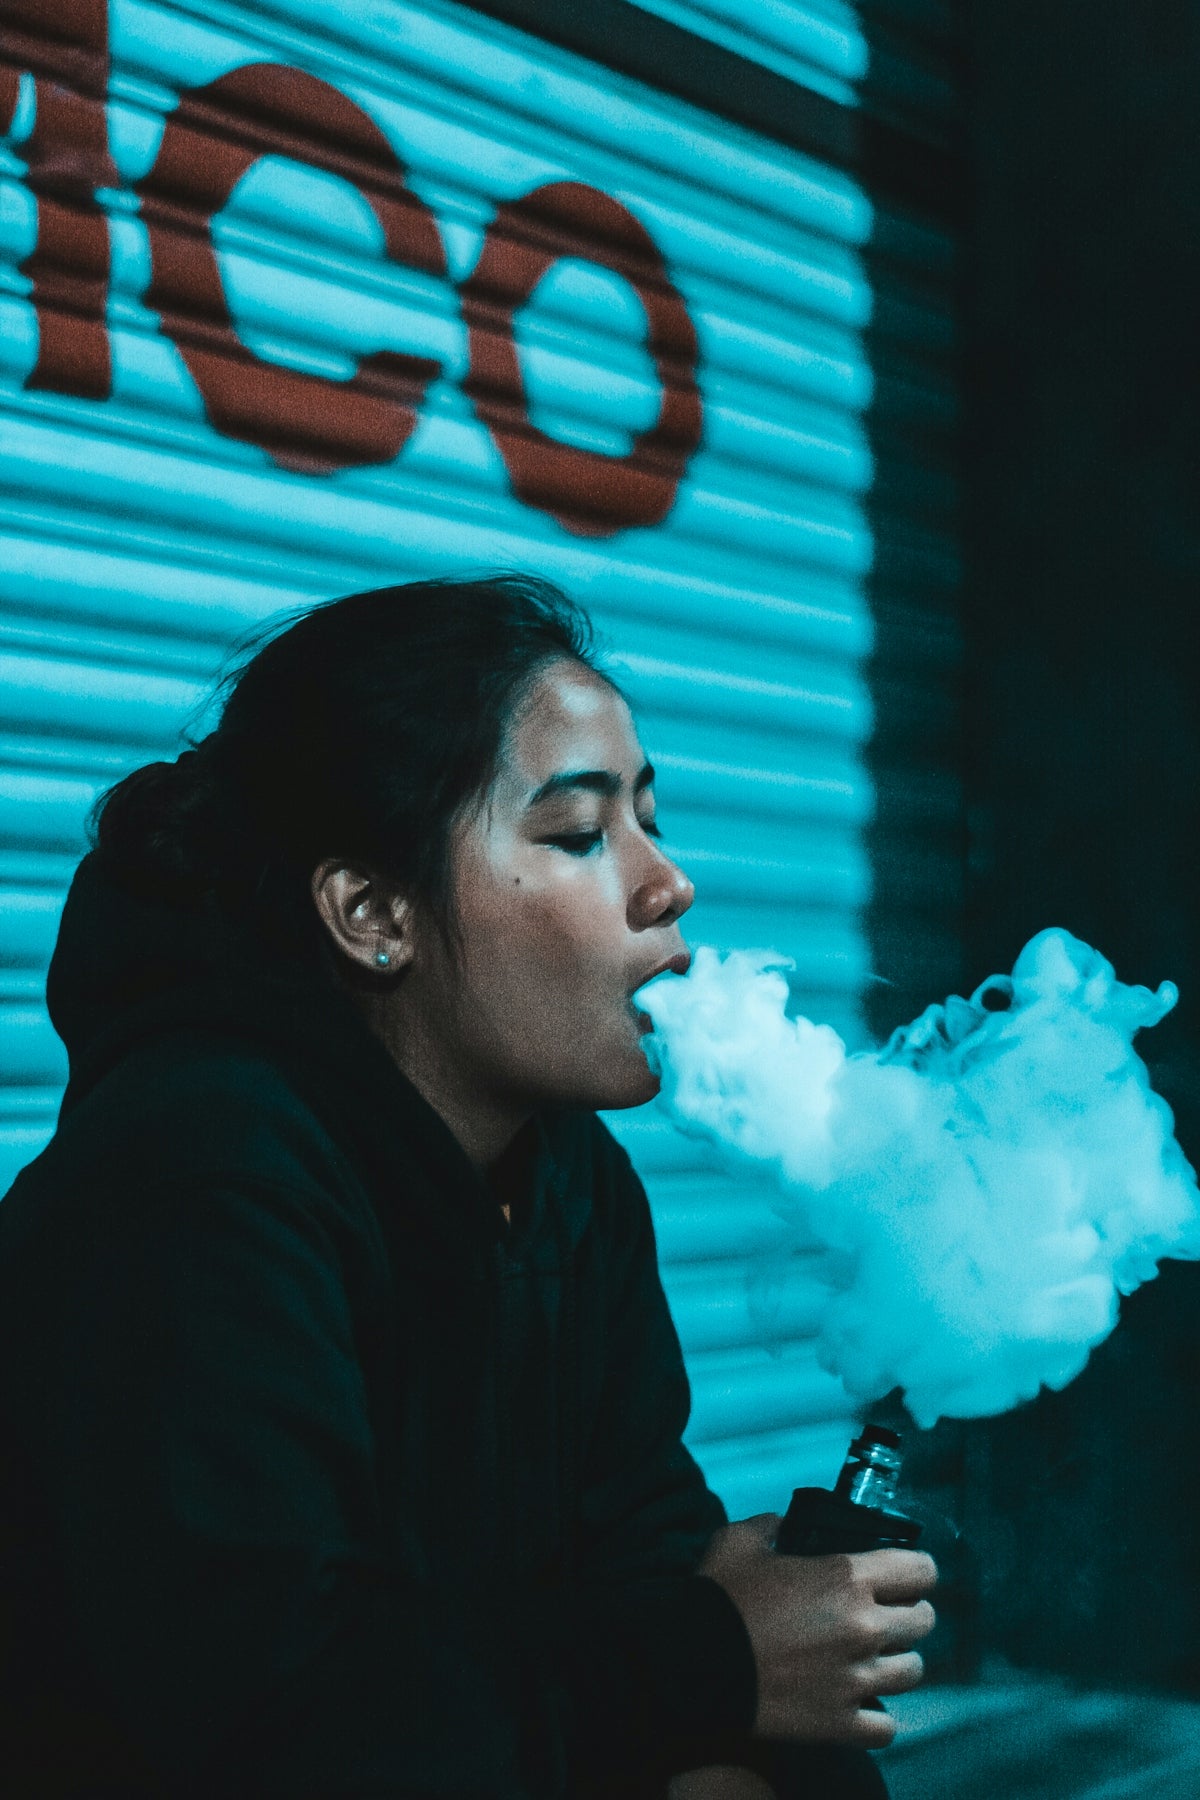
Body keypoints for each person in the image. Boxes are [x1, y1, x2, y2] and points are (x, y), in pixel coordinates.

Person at [0, 574, 936, 1798]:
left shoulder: (570, 1185)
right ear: (374, 912)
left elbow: (643, 1564)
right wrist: (715, 1658)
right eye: (580, 835)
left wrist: (758, 1656)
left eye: (652, 820)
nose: (667, 886)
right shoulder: (191, 1188)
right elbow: (276, 1724)